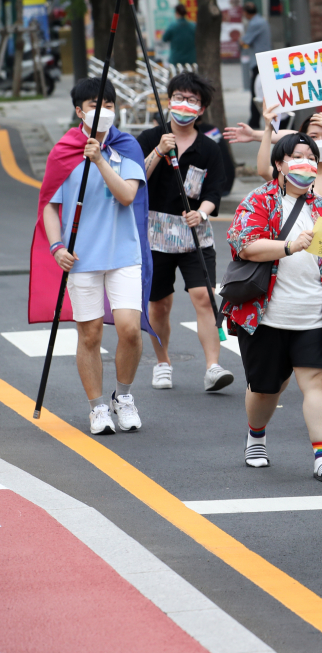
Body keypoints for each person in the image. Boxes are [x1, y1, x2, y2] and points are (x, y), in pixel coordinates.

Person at [223, 131, 322, 480]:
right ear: (280, 164)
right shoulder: (259, 201)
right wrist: (289, 246)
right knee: (266, 388)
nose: (306, 164)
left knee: (321, 383)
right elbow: (245, 245)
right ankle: (256, 436)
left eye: (311, 158)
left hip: (317, 316)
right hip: (267, 317)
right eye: (297, 156)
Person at [37, 79, 149, 434]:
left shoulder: (126, 146)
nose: (102, 110)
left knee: (130, 330)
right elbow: (49, 206)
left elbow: (127, 195)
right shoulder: (63, 151)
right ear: (79, 111)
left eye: (109, 104)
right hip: (81, 259)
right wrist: (57, 247)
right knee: (90, 335)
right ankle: (97, 407)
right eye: (93, 104)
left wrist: (99, 160)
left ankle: (124, 397)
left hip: (123, 254)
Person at [137, 72, 233, 392]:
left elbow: (215, 191)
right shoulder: (151, 137)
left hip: (195, 233)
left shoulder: (209, 148)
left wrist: (201, 213)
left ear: (202, 108)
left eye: (192, 100)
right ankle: (163, 363)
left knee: (204, 297)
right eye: (178, 97)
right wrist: (159, 152)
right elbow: (136, 180)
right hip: (156, 233)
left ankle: (213, 367)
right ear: (168, 101)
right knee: (159, 304)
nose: (184, 104)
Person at [240, 1, 272, 129]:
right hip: (263, 61)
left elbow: (244, 41)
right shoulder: (262, 21)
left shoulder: (254, 23)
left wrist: (241, 41)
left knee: (256, 92)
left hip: (258, 62)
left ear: (246, 13)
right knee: (260, 92)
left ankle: (254, 120)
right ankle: (255, 119)